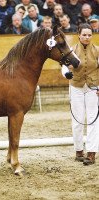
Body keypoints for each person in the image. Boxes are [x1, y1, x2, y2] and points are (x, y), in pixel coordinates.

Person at [68, 23, 99, 165]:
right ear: (78, 35)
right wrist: (66, 74)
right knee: (78, 120)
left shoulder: (98, 50)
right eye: (84, 34)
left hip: (94, 88)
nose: (87, 37)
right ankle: (79, 150)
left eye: (89, 35)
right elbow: (64, 67)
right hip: (76, 87)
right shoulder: (71, 51)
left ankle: (92, 153)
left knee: (94, 120)